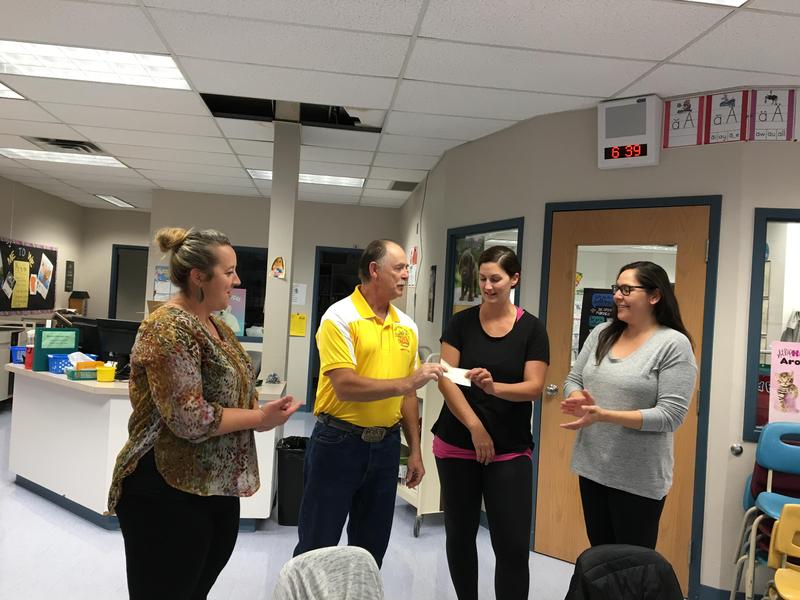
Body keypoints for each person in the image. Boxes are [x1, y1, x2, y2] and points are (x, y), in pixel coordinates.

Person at [107, 227, 300, 600]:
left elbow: (238, 391)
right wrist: (260, 419)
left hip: (214, 487)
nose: (237, 280)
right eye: (228, 272)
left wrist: (265, 414)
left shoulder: (218, 326)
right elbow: (189, 418)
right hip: (166, 489)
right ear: (198, 276)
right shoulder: (167, 327)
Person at [294, 239, 444, 567]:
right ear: (374, 270)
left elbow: (407, 397)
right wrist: (408, 382)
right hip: (338, 443)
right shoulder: (339, 317)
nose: (406, 275)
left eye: (407, 268)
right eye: (399, 268)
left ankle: (360, 589)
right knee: (317, 544)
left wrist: (415, 451)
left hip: (386, 446)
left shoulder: (407, 326)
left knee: (371, 549)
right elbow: (345, 386)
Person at [433, 245, 549, 600]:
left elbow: (534, 387)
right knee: (460, 535)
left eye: (495, 279)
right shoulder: (461, 323)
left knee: (512, 545)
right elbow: (446, 380)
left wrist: (492, 387)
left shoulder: (531, 329)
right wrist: (475, 427)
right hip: (457, 443)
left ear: (514, 279)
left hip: (509, 448)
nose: (487, 286)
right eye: (482, 279)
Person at [561, 261, 697, 550]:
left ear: (655, 295)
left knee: (630, 565)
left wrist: (605, 415)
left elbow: (670, 416)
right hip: (593, 466)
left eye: (626, 289)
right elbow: (573, 379)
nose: (616, 296)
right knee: (600, 556)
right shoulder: (602, 333)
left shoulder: (673, 344)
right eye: (616, 288)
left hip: (638, 478)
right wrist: (577, 398)